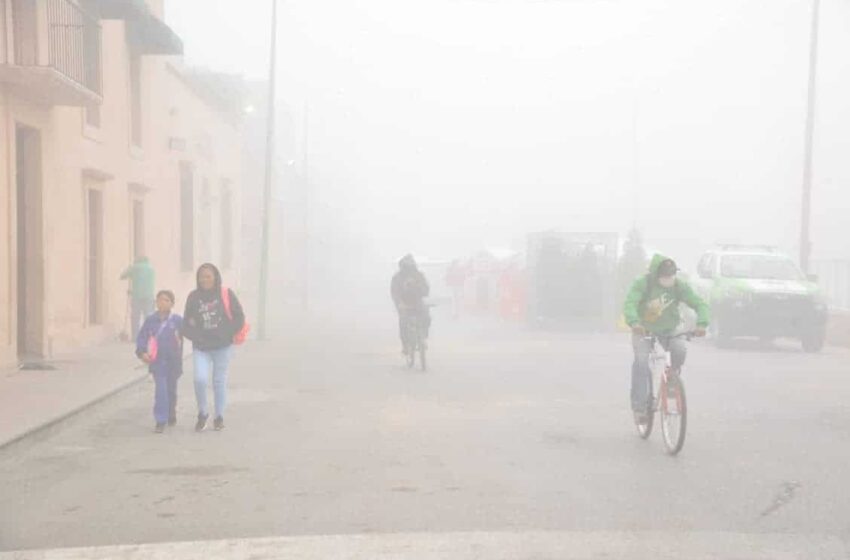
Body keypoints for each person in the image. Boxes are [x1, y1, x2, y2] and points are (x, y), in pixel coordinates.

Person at [622, 254, 709, 423]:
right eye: (664, 276)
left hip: (670, 328)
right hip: (643, 330)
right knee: (641, 363)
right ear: (655, 274)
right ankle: (640, 408)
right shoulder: (643, 284)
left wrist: (702, 324)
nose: (668, 279)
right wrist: (634, 323)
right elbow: (630, 304)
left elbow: (699, 303)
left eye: (671, 276)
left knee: (679, 350)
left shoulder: (679, 286)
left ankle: (671, 379)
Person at [182, 263, 245, 432]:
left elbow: (239, 317)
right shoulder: (193, 297)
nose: (205, 279)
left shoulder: (225, 294)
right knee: (199, 379)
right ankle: (203, 413)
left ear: (215, 277)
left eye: (208, 276)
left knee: (219, 382)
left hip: (222, 347)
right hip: (201, 347)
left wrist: (228, 333)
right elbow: (186, 322)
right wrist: (195, 335)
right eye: (202, 276)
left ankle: (219, 416)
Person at [135, 290, 183, 433]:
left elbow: (189, 333)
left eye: (166, 300)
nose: (163, 302)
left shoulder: (177, 320)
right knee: (160, 389)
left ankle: (171, 412)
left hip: (174, 361)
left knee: (171, 390)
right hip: (157, 361)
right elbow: (142, 337)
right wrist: (142, 352)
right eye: (160, 299)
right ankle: (160, 420)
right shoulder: (150, 320)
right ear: (156, 302)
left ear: (172, 304)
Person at [391, 254, 431, 356]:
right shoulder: (397, 277)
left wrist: (417, 287)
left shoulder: (419, 275)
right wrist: (400, 303)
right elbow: (394, 292)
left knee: (427, 317)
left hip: (417, 302)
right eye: (406, 266)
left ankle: (423, 337)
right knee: (403, 322)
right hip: (403, 303)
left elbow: (426, 290)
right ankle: (405, 345)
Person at [121, 256, 156, 340]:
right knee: (148, 317)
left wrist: (129, 269)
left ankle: (135, 337)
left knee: (135, 317)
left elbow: (122, 276)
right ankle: (149, 336)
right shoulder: (151, 269)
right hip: (149, 296)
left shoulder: (134, 268)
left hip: (137, 296)